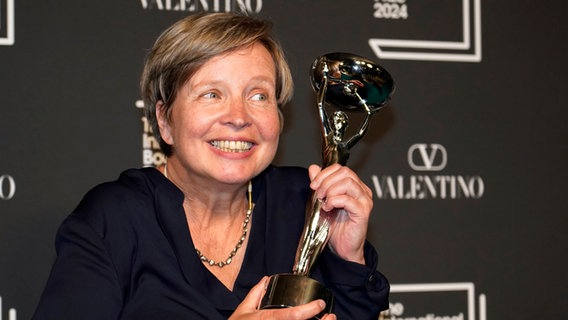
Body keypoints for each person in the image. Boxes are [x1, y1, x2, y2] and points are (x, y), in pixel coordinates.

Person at [33, 12, 389, 320]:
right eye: (211, 94)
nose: (238, 117)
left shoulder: (305, 202)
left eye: (258, 95)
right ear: (165, 120)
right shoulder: (113, 219)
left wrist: (348, 260)